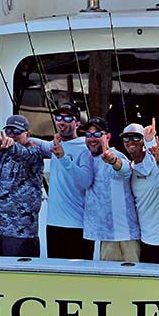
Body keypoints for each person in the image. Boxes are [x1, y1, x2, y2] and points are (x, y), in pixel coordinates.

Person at [68, 117, 140, 262]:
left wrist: (113, 161)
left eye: (97, 134)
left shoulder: (115, 155)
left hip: (125, 236)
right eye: (88, 135)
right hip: (104, 238)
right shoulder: (86, 158)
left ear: (107, 137)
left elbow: (125, 170)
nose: (92, 138)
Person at [0, 114, 53, 258]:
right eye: (9, 131)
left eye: (17, 132)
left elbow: (22, 153)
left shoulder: (34, 152)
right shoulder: (0, 147)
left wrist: (11, 145)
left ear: (28, 134)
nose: (12, 135)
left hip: (21, 233)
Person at [122, 120, 159, 264]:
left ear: (143, 141)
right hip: (145, 241)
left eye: (136, 137)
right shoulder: (130, 168)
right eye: (126, 138)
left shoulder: (156, 159)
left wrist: (158, 157)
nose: (131, 141)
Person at [43, 102, 94, 260]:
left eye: (67, 118)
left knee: (79, 278)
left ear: (77, 123)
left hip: (77, 226)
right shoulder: (55, 145)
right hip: (53, 224)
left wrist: (63, 158)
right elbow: (38, 144)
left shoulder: (85, 148)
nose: (62, 121)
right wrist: (19, 137)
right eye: (59, 117)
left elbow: (86, 181)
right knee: (56, 277)